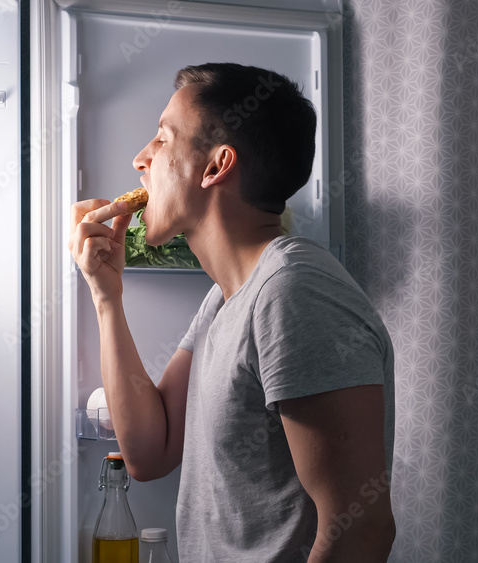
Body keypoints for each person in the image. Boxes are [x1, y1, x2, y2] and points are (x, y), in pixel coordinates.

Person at [67, 62, 395, 562]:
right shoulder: (226, 297)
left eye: (161, 139)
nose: (140, 159)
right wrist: (106, 295)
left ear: (216, 166)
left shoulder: (293, 292)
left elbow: (361, 529)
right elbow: (148, 454)